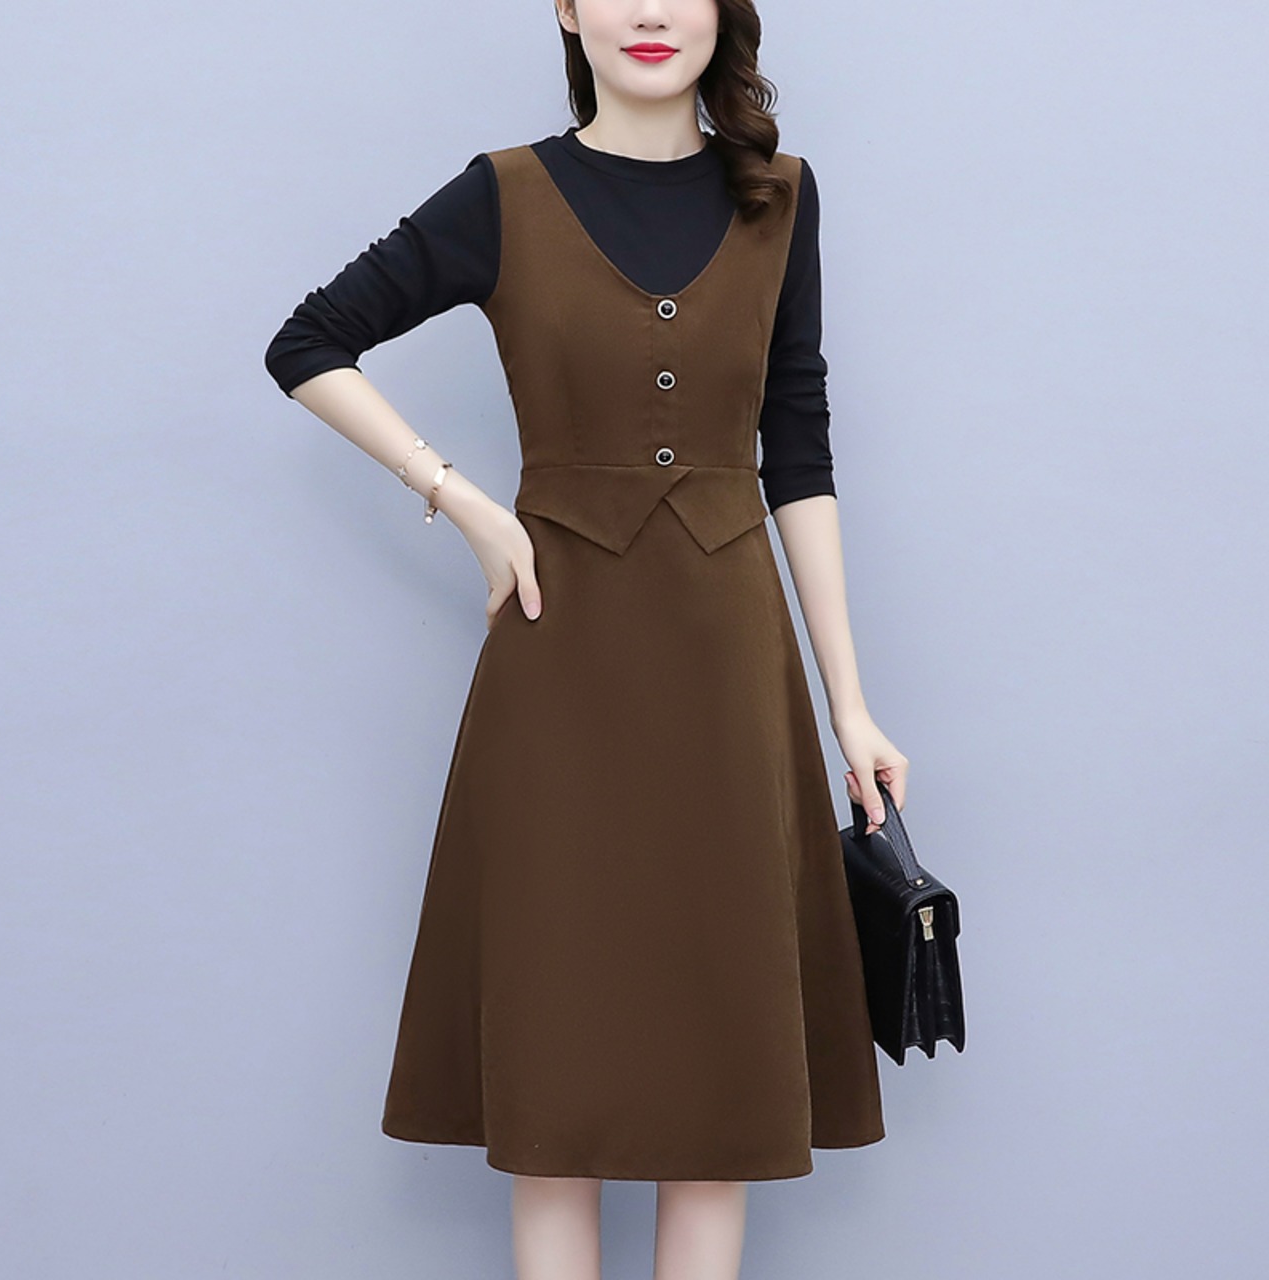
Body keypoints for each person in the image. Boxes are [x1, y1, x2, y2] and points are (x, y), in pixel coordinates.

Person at [264, 2, 910, 1277]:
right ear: (566, 8)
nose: (650, 11)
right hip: (558, 671)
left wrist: (848, 703)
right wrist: (462, 501)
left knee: (718, 1082)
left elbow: (798, 450)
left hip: (730, 675)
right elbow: (306, 342)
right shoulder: (504, 193)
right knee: (558, 1079)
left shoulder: (780, 197)